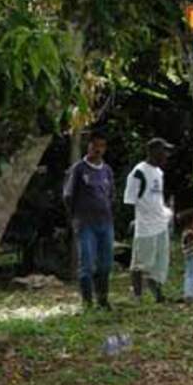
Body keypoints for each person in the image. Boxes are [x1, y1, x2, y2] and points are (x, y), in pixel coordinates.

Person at [63, 131, 116, 310]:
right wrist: (75, 217)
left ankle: (103, 299)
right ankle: (87, 302)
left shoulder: (107, 170)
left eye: (101, 146)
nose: (98, 150)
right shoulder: (78, 169)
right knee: (86, 263)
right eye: (95, 146)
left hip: (105, 222)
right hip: (85, 222)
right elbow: (68, 195)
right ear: (89, 147)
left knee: (106, 263)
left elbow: (111, 195)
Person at [123, 138, 174, 303]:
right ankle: (137, 296)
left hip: (161, 223)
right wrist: (135, 220)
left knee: (160, 263)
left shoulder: (159, 173)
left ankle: (158, 294)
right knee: (140, 263)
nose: (166, 155)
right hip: (145, 226)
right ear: (153, 152)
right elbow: (130, 200)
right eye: (163, 151)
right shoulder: (138, 172)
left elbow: (157, 197)